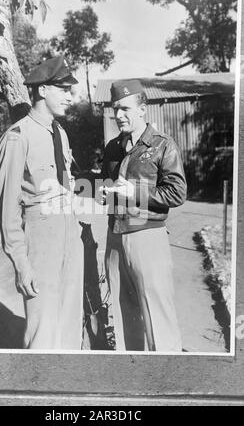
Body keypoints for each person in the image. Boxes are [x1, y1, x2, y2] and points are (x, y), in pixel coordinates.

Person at [0, 56, 84, 350]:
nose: (70, 97)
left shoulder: (60, 132)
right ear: (43, 90)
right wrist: (22, 265)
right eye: (63, 89)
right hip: (41, 239)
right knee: (43, 330)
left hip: (69, 234)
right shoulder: (17, 137)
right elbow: (8, 212)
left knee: (71, 323)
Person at [101, 79, 187, 352]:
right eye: (115, 109)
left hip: (148, 237)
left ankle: (167, 377)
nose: (118, 116)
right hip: (115, 238)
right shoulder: (113, 147)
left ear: (142, 109)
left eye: (125, 109)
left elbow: (176, 193)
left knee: (157, 314)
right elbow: (108, 186)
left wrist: (135, 192)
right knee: (123, 312)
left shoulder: (163, 145)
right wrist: (105, 194)